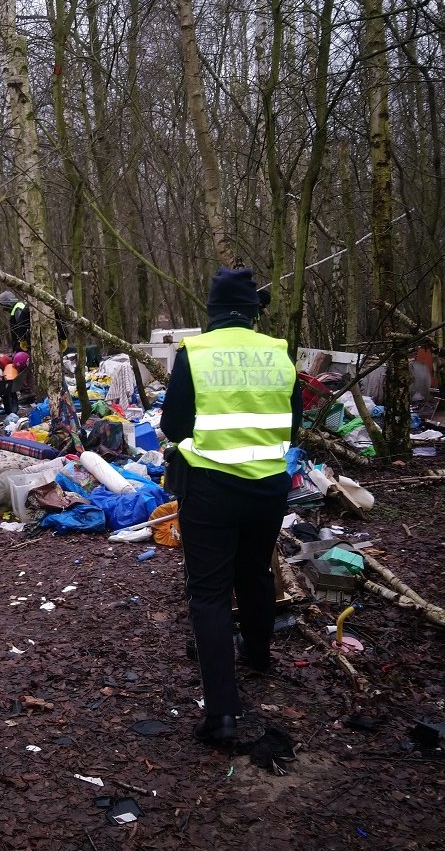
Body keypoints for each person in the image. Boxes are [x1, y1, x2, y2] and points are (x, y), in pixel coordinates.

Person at [160, 267, 303, 749]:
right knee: (256, 572)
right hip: (268, 486)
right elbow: (292, 428)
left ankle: (222, 714)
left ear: (213, 312)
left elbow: (173, 424)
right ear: (256, 314)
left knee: (209, 593)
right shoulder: (278, 353)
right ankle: (259, 655)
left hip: (210, 487)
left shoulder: (195, 353)